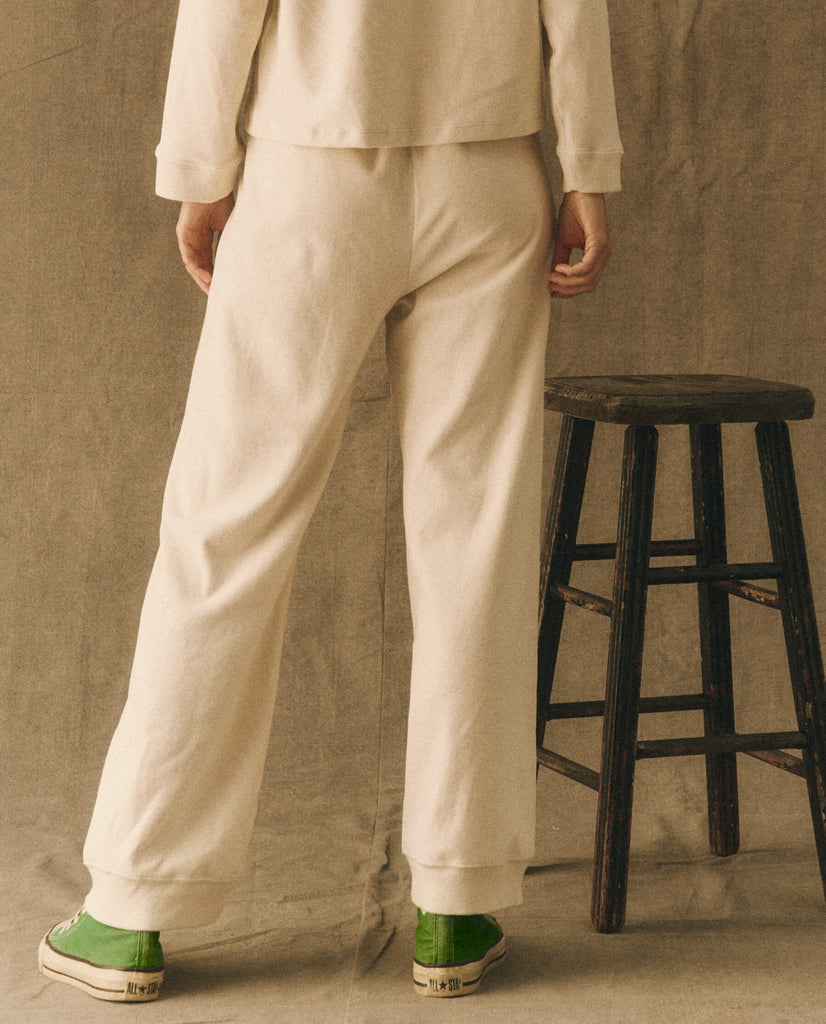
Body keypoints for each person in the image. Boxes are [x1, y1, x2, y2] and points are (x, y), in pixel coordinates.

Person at [38, 0, 622, 1003]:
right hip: (490, 172)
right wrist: (588, 169)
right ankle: (459, 897)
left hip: (309, 172)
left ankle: (132, 906)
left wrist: (201, 174)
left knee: (226, 529)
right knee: (475, 534)